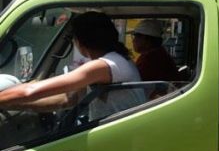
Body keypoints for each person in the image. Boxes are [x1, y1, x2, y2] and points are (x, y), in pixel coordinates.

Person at [0, 11, 144, 120]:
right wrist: (15, 104)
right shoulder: (116, 61)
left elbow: (30, 91)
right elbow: (67, 99)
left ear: (80, 41)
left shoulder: (105, 65)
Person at [131, 20, 181, 87]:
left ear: (146, 39)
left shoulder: (151, 58)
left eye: (136, 36)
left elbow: (136, 82)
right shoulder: (159, 54)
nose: (133, 41)